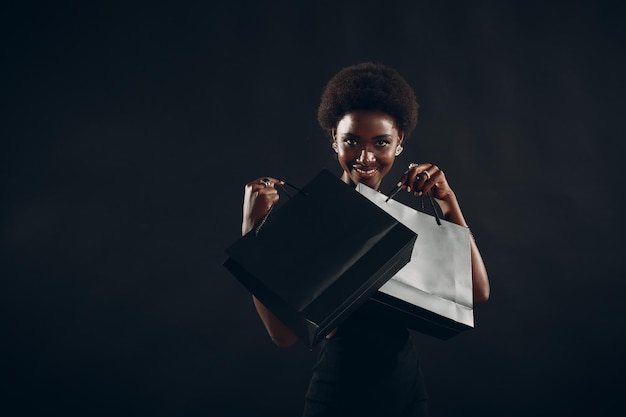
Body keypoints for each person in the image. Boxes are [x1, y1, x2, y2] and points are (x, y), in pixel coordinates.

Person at [240, 62, 490, 417]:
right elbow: (283, 335)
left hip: (407, 395)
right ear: (334, 139)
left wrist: (449, 203)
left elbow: (477, 292)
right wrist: (253, 230)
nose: (366, 157)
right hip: (339, 397)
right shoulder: (312, 216)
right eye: (352, 141)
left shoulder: (400, 215)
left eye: (381, 143)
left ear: (399, 142)